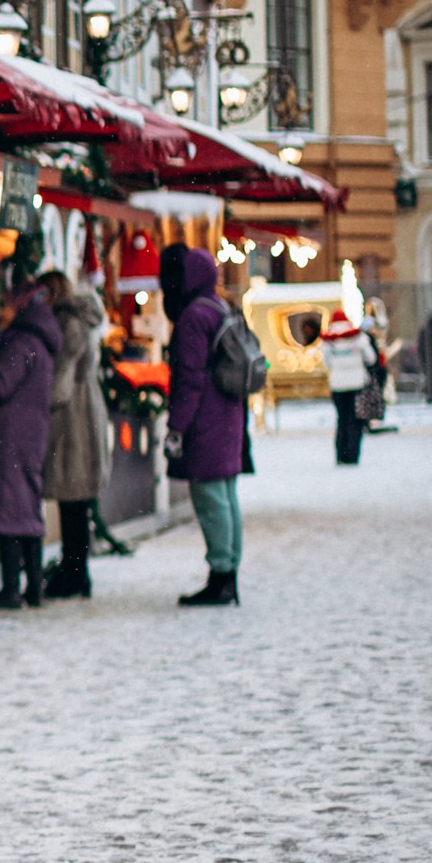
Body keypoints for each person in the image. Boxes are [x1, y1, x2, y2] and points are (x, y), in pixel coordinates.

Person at [0, 279, 60, 610]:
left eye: (7, 303)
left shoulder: (22, 342)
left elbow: (0, 385)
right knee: (26, 507)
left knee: (11, 509)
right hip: (31, 433)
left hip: (13, 435)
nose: (1, 310)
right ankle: (33, 587)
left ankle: (11, 589)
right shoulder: (39, 339)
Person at [165, 247, 245, 606]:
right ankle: (229, 573)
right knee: (226, 496)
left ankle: (221, 577)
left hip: (206, 421)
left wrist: (177, 425)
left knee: (211, 498)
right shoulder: (220, 307)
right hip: (228, 415)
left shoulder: (194, 316)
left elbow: (190, 378)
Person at [40, 270, 112, 599]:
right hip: (87, 407)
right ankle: (78, 570)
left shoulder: (68, 322)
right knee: (78, 500)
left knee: (72, 498)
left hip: (73, 415)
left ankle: (74, 571)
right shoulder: (84, 318)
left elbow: (63, 377)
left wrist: (46, 400)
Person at [320, 310, 374, 465]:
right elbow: (371, 358)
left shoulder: (328, 341)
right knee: (355, 419)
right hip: (357, 384)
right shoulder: (358, 337)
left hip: (337, 385)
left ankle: (341, 454)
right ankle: (352, 454)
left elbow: (326, 362)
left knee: (342, 419)